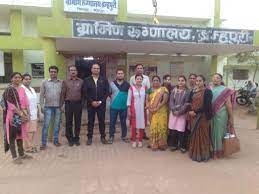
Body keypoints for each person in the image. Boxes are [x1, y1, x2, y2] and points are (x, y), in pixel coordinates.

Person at [3, 72, 32, 164]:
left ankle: (22, 154)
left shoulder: (22, 89)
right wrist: (20, 113)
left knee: (20, 135)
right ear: (11, 79)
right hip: (13, 116)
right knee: (12, 136)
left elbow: (26, 101)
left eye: (19, 77)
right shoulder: (9, 89)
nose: (18, 79)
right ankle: (14, 157)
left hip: (22, 115)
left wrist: (27, 113)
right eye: (15, 77)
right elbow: (10, 105)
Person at [83, 63, 109, 145]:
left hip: (101, 105)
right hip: (91, 105)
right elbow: (85, 92)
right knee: (90, 121)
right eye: (94, 68)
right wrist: (91, 101)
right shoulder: (87, 80)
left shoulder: (104, 79)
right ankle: (89, 138)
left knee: (102, 121)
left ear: (99, 70)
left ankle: (103, 137)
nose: (96, 70)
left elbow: (107, 92)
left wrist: (100, 101)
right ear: (91, 69)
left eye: (97, 68)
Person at [188, 75, 212, 162]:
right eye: (197, 81)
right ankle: (194, 153)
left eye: (200, 81)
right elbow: (189, 102)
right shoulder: (193, 91)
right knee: (194, 134)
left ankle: (203, 155)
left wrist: (195, 112)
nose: (198, 82)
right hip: (193, 116)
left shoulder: (208, 92)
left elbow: (207, 106)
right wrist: (190, 111)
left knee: (203, 135)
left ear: (204, 81)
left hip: (203, 116)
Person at [211, 73, 235, 159]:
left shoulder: (225, 90)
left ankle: (218, 152)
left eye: (217, 78)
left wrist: (231, 118)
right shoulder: (208, 89)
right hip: (210, 115)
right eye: (214, 78)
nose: (215, 79)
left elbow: (228, 104)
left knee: (219, 133)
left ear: (221, 80)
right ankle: (212, 150)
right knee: (211, 132)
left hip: (221, 115)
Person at [40, 66, 63, 150]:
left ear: (57, 73)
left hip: (58, 107)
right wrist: (41, 106)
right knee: (46, 125)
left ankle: (56, 141)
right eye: (51, 72)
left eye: (54, 72)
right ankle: (43, 143)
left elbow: (63, 95)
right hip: (48, 107)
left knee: (57, 125)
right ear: (49, 72)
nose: (53, 73)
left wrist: (62, 106)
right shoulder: (44, 82)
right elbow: (42, 95)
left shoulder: (61, 82)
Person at [168, 75, 190, 153]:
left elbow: (187, 103)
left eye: (182, 80)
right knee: (173, 130)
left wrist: (180, 112)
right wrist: (174, 110)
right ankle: (174, 145)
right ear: (177, 82)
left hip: (182, 114)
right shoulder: (174, 90)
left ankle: (182, 146)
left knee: (181, 130)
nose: (180, 82)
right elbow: (170, 101)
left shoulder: (187, 92)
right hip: (173, 113)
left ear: (185, 82)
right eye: (179, 80)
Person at [62, 65, 83, 146]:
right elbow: (63, 94)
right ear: (69, 72)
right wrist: (62, 105)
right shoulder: (65, 82)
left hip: (78, 104)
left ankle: (76, 138)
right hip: (68, 104)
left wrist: (82, 103)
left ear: (77, 71)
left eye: (74, 70)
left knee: (78, 122)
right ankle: (70, 139)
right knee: (68, 122)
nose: (73, 71)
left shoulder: (81, 81)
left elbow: (83, 93)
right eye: (71, 70)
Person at [146, 76, 169, 151]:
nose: (155, 82)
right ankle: (153, 143)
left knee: (162, 126)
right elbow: (147, 100)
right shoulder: (149, 90)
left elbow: (165, 100)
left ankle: (162, 144)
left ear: (160, 81)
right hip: (152, 111)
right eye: (154, 80)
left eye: (157, 80)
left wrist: (157, 108)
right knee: (153, 126)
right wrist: (149, 108)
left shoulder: (163, 89)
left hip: (161, 111)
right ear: (152, 81)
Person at [108, 68, 130, 144]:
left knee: (123, 122)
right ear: (116, 75)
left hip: (123, 107)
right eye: (119, 73)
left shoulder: (127, 84)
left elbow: (129, 95)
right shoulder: (111, 84)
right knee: (112, 122)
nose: (120, 75)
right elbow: (109, 94)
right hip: (113, 107)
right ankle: (111, 136)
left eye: (121, 73)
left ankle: (124, 136)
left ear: (123, 75)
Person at [129, 64, 150, 140]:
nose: (139, 69)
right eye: (138, 68)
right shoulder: (132, 78)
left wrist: (147, 102)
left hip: (143, 101)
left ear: (143, 69)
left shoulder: (146, 78)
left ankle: (143, 134)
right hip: (135, 101)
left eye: (141, 68)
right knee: (134, 118)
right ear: (136, 69)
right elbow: (131, 89)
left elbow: (148, 90)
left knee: (142, 118)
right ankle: (134, 135)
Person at [127, 74, 147, 148]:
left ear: (142, 80)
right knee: (134, 126)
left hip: (142, 110)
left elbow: (147, 99)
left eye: (140, 79)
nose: (139, 80)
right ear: (135, 80)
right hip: (134, 109)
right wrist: (129, 110)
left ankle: (140, 141)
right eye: (137, 79)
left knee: (142, 125)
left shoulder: (145, 88)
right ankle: (134, 141)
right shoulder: (131, 88)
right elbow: (128, 99)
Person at [21, 73, 39, 153]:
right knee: (27, 132)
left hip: (34, 113)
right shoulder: (21, 89)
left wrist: (39, 112)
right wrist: (25, 114)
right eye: (26, 79)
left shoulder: (32, 89)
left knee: (33, 131)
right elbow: (21, 103)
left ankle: (32, 146)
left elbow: (36, 101)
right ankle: (28, 148)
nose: (28, 80)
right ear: (22, 80)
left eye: (29, 79)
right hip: (26, 114)